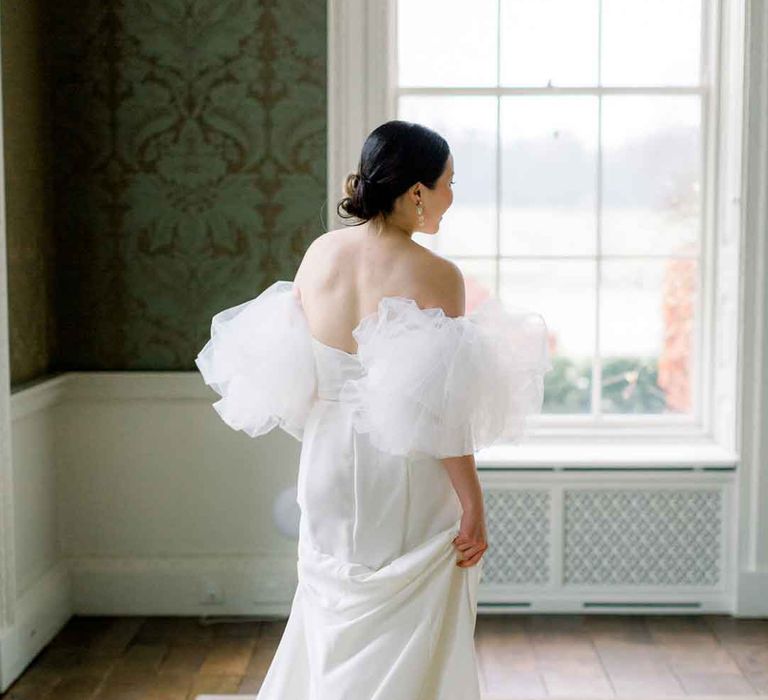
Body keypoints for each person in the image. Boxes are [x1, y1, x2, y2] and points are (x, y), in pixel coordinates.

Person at [195, 120, 552, 699]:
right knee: (407, 621)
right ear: (417, 191)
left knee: (330, 612)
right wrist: (473, 504)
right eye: (449, 183)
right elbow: (443, 413)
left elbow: (303, 375)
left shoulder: (320, 254)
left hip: (327, 460)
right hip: (402, 470)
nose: (452, 197)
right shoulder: (438, 275)